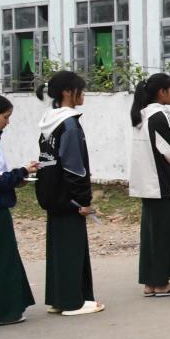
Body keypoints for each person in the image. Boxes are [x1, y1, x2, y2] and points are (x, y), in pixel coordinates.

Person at [35, 71, 102, 316]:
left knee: (58, 248)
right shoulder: (70, 124)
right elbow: (74, 167)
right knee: (73, 248)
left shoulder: (48, 122)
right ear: (67, 92)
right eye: (80, 90)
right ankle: (73, 302)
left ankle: (59, 299)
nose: (83, 94)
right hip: (69, 197)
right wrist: (83, 200)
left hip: (51, 194)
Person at [128, 72, 170, 298]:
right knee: (163, 235)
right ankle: (161, 283)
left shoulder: (142, 115)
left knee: (152, 236)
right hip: (162, 184)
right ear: (162, 93)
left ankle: (151, 282)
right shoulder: (159, 116)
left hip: (149, 185)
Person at [0, 94, 37, 326]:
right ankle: (0, 312)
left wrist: (16, 178)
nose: (7, 122)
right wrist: (22, 172)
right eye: (5, 117)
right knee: (0, 260)